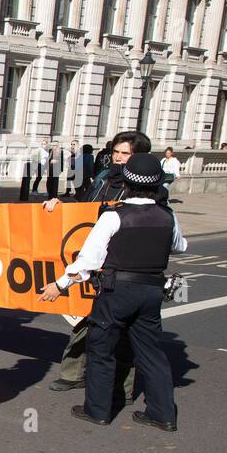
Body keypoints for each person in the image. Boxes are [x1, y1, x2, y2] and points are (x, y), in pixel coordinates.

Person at [38, 153, 186, 431]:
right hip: (152, 291)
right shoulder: (168, 215)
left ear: (127, 182)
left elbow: (88, 261)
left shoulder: (114, 216)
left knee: (101, 349)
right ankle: (162, 414)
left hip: (117, 291)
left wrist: (59, 286)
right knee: (151, 353)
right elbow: (180, 246)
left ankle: (98, 409)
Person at [44, 130, 153, 393]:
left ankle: (122, 387)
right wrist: (60, 204)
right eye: (116, 152)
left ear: (138, 157)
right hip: (91, 254)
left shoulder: (146, 188)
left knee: (122, 328)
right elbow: (83, 207)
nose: (118, 158)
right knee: (82, 316)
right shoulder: (103, 178)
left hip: (121, 263)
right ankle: (74, 373)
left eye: (125, 153)